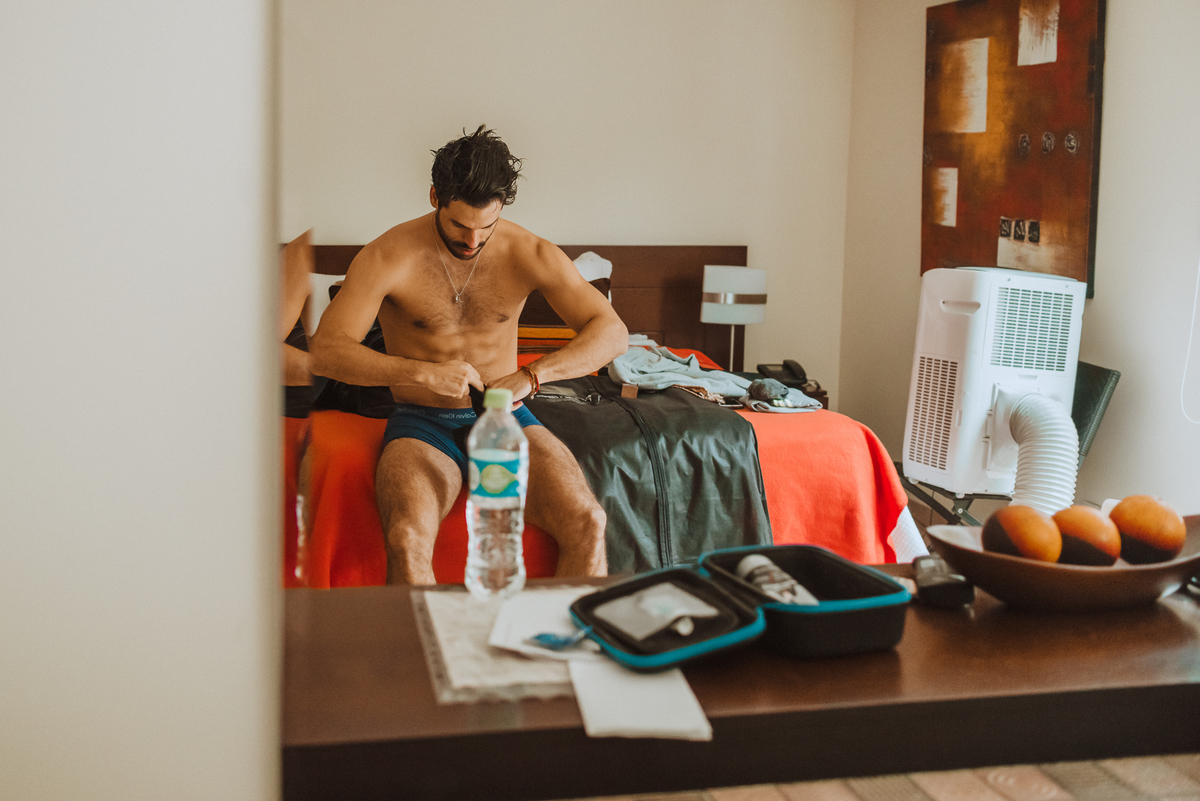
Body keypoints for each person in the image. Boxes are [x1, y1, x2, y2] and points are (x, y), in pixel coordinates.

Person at [311, 125, 627, 585]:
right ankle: (425, 636)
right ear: (435, 196)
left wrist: (531, 376)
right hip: (423, 424)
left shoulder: (530, 252)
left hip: (506, 420)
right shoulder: (387, 256)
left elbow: (612, 333)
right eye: (460, 225)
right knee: (407, 539)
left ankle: (557, 633)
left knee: (589, 522)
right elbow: (326, 351)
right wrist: (423, 373)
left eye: (486, 226)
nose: (473, 240)